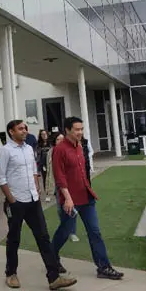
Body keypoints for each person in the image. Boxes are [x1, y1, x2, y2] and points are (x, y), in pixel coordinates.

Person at [0, 119, 77, 291]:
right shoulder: (5, 151)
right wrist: (12, 200)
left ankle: (54, 278)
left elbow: (34, 170)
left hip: (33, 201)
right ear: (11, 132)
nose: (25, 131)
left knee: (43, 237)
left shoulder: (28, 149)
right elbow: (1, 178)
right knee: (14, 238)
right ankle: (11, 273)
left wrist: (36, 188)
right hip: (16, 202)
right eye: (20, 129)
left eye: (25, 128)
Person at [52, 117, 124, 280]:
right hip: (70, 200)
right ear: (67, 130)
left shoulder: (80, 147)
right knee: (64, 232)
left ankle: (104, 267)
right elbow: (60, 176)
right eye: (77, 129)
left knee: (95, 232)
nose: (80, 132)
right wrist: (68, 199)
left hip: (86, 197)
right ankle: (51, 258)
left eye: (81, 129)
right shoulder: (60, 149)